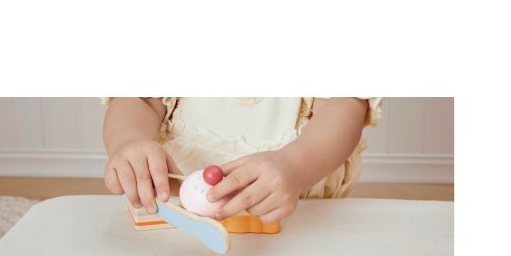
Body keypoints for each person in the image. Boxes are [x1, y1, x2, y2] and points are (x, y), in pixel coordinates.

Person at [102, 97, 382, 222]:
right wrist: (128, 140)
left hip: (294, 217)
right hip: (174, 213)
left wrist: (296, 166)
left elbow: (342, 104)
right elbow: (140, 99)